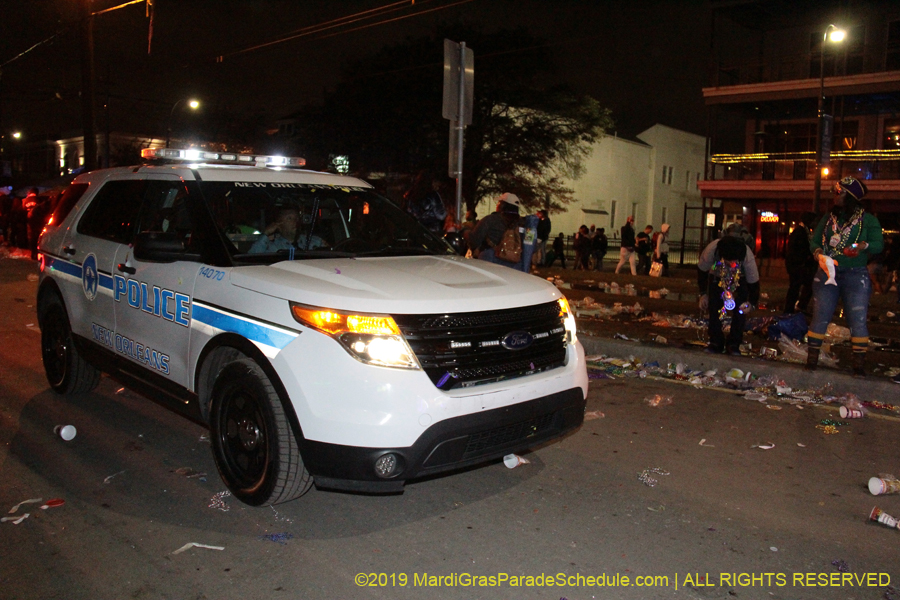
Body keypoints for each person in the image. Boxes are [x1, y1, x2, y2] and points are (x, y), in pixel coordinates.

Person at [806, 177, 884, 376]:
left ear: (849, 197)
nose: (835, 196)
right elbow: (814, 241)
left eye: (839, 193)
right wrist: (818, 255)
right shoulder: (828, 218)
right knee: (820, 315)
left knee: (857, 319)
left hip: (855, 274)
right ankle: (812, 360)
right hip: (826, 272)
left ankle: (858, 365)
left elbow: (878, 244)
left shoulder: (868, 220)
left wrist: (861, 246)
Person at [697, 234, 760, 355]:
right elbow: (702, 271)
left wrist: (751, 304)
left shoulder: (747, 256)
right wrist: (703, 294)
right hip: (717, 278)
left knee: (740, 310)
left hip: (740, 280)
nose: (731, 265)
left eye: (734, 262)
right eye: (728, 261)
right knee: (714, 307)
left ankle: (734, 343)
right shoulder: (711, 250)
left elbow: (754, 282)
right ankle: (715, 341)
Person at [463, 192, 522, 268]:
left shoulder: (491, 220)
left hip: (491, 260)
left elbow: (474, 240)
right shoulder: (522, 224)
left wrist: (465, 231)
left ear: (502, 205)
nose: (497, 204)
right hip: (515, 265)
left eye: (499, 202)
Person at [783, 212, 818, 314]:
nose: (815, 223)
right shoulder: (800, 232)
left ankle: (794, 308)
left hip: (798, 265)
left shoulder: (804, 231)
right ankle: (793, 308)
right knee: (797, 287)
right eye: (814, 221)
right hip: (798, 265)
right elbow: (798, 249)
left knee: (798, 287)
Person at [249, 207, 323, 253]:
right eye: (289, 218)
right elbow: (252, 258)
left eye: (297, 218)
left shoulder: (315, 242)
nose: (295, 221)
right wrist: (265, 234)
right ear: (279, 224)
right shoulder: (273, 247)